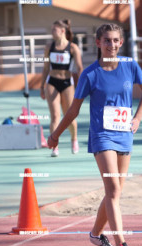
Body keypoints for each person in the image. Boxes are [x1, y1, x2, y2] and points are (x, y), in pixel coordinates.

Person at [48, 23, 142, 246]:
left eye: (115, 40)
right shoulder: (90, 74)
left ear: (121, 42)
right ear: (98, 43)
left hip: (124, 134)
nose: (112, 45)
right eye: (107, 40)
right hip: (102, 136)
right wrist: (55, 136)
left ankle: (96, 234)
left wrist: (137, 118)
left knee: (114, 193)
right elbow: (73, 110)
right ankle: (122, 245)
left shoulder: (129, 65)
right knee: (113, 190)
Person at [41, 19, 83, 157]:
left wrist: (82, 85)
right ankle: (55, 146)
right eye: (52, 29)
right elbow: (46, 68)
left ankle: (74, 139)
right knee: (55, 116)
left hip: (66, 83)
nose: (52, 32)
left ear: (62, 31)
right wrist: (42, 86)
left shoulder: (72, 48)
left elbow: (79, 67)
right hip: (52, 82)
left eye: (55, 30)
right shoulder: (49, 47)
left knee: (69, 115)